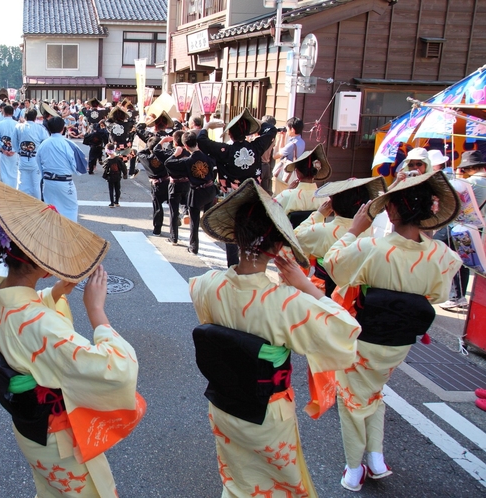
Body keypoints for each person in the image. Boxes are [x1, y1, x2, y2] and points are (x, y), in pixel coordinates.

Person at [0, 176, 146, 498]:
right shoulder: (40, 324)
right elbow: (115, 368)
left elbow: (29, 315)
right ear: (45, 265)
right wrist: (96, 312)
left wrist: (55, 292)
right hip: (59, 439)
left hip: (32, 431)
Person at [190, 179, 359, 498]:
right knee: (278, 487)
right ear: (277, 246)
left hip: (224, 405)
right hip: (267, 410)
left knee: (237, 479)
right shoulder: (286, 303)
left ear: (235, 236)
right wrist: (304, 284)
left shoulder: (204, 285)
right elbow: (344, 330)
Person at [324, 170, 461, 492]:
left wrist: (352, 231)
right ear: (429, 211)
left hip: (365, 338)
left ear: (393, 210)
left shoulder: (372, 247)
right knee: (372, 393)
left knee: (352, 400)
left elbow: (334, 263)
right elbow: (438, 296)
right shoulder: (443, 256)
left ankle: (354, 467)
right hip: (400, 342)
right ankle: (375, 456)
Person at [197, 108, 277, 266]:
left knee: (232, 228)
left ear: (230, 134)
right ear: (247, 132)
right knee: (251, 227)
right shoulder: (256, 147)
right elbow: (271, 129)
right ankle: (250, 262)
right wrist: (254, 121)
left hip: (233, 194)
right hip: (254, 194)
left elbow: (202, 141)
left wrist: (207, 126)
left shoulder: (225, 150)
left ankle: (233, 265)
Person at [294, 177, 385, 297]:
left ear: (334, 205)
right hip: (358, 301)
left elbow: (295, 238)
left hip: (324, 295)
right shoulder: (369, 230)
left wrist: (319, 214)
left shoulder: (322, 231)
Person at [439, 149, 486, 309]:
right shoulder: (482, 181)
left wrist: (458, 176)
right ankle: (458, 296)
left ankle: (456, 296)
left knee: (455, 259)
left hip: (463, 227)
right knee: (465, 261)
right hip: (477, 227)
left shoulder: (470, 183)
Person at [166, 131, 217, 254]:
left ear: (186, 146)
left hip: (197, 192)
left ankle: (194, 247)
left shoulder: (188, 161)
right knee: (208, 215)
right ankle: (213, 233)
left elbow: (168, 164)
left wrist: (175, 154)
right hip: (210, 189)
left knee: (194, 221)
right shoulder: (207, 157)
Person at [37, 117, 87, 221]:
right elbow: (78, 166)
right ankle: (67, 235)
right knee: (70, 210)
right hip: (64, 181)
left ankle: (52, 235)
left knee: (51, 210)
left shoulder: (43, 144)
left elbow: (39, 163)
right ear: (63, 128)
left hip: (48, 181)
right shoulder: (68, 143)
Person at [274, 143, 332, 228]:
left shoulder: (286, 195)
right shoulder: (325, 199)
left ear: (297, 172)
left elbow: (271, 209)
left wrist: (287, 190)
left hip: (291, 238)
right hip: (316, 238)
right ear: (315, 172)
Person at [15, 109, 48, 199]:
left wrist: (19, 151)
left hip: (22, 157)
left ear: (25, 117)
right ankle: (37, 204)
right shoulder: (40, 128)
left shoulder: (18, 127)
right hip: (35, 158)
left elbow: (14, 142)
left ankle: (20, 202)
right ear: (35, 118)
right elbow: (46, 143)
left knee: (21, 182)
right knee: (36, 184)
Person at [272, 117, 306, 194]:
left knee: (279, 196)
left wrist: (277, 140)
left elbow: (275, 156)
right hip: (294, 176)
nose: (286, 131)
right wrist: (283, 137)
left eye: (287, 129)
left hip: (285, 176)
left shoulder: (291, 144)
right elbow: (283, 151)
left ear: (292, 129)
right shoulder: (302, 142)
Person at [0, 105, 20, 188]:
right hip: (14, 152)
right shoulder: (18, 125)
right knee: (15, 171)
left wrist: (3, 149)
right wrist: (15, 150)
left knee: (5, 172)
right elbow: (20, 139)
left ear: (3, 113)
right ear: (13, 113)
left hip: (4, 152)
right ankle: (14, 189)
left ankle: (6, 188)